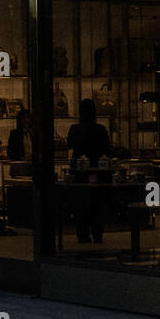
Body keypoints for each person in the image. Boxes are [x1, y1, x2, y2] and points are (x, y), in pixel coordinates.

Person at [66, 97, 110, 243]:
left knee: (80, 202)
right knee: (97, 201)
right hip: (96, 170)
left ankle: (82, 233)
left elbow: (69, 145)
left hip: (79, 171)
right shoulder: (101, 129)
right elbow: (106, 149)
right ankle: (98, 232)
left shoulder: (74, 129)